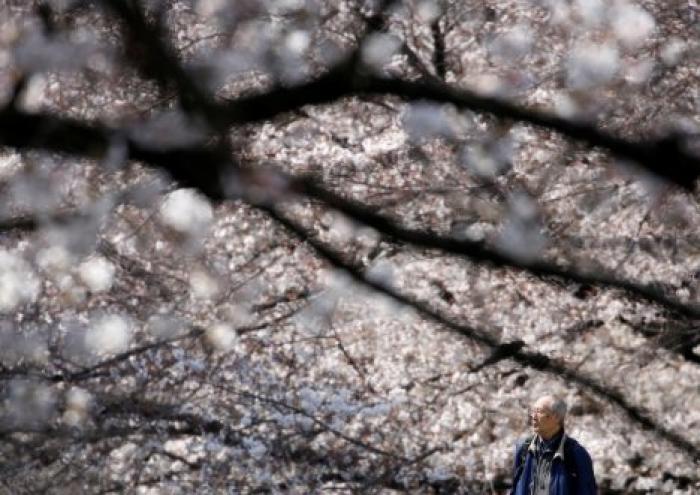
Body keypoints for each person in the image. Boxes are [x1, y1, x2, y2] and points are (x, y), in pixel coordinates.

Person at [510, 395, 597, 495]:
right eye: (533, 411)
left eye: (539, 412)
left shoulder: (576, 454)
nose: (533, 417)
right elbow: (515, 488)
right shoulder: (523, 448)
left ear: (556, 417)